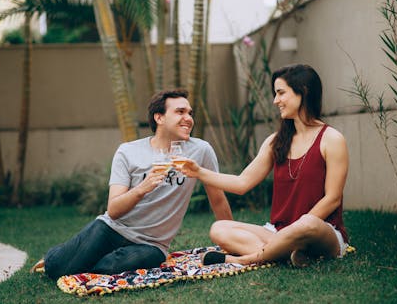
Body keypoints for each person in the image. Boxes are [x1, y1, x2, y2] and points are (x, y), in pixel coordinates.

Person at [31, 89, 233, 279]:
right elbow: (114, 210)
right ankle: (59, 255)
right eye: (180, 112)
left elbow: (217, 198)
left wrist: (231, 241)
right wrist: (143, 188)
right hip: (112, 229)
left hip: (152, 245)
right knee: (58, 269)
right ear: (159, 117)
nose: (188, 118)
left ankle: (82, 258)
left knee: (107, 268)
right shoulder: (128, 152)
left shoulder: (200, 151)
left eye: (190, 113)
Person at [176, 64, 349, 267]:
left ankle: (248, 259)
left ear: (303, 92)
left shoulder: (332, 139)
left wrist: (295, 229)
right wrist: (198, 172)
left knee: (308, 224)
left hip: (321, 230)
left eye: (281, 93)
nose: (276, 101)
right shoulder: (275, 141)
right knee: (219, 228)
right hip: (277, 231)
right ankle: (290, 253)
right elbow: (242, 183)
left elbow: (332, 199)